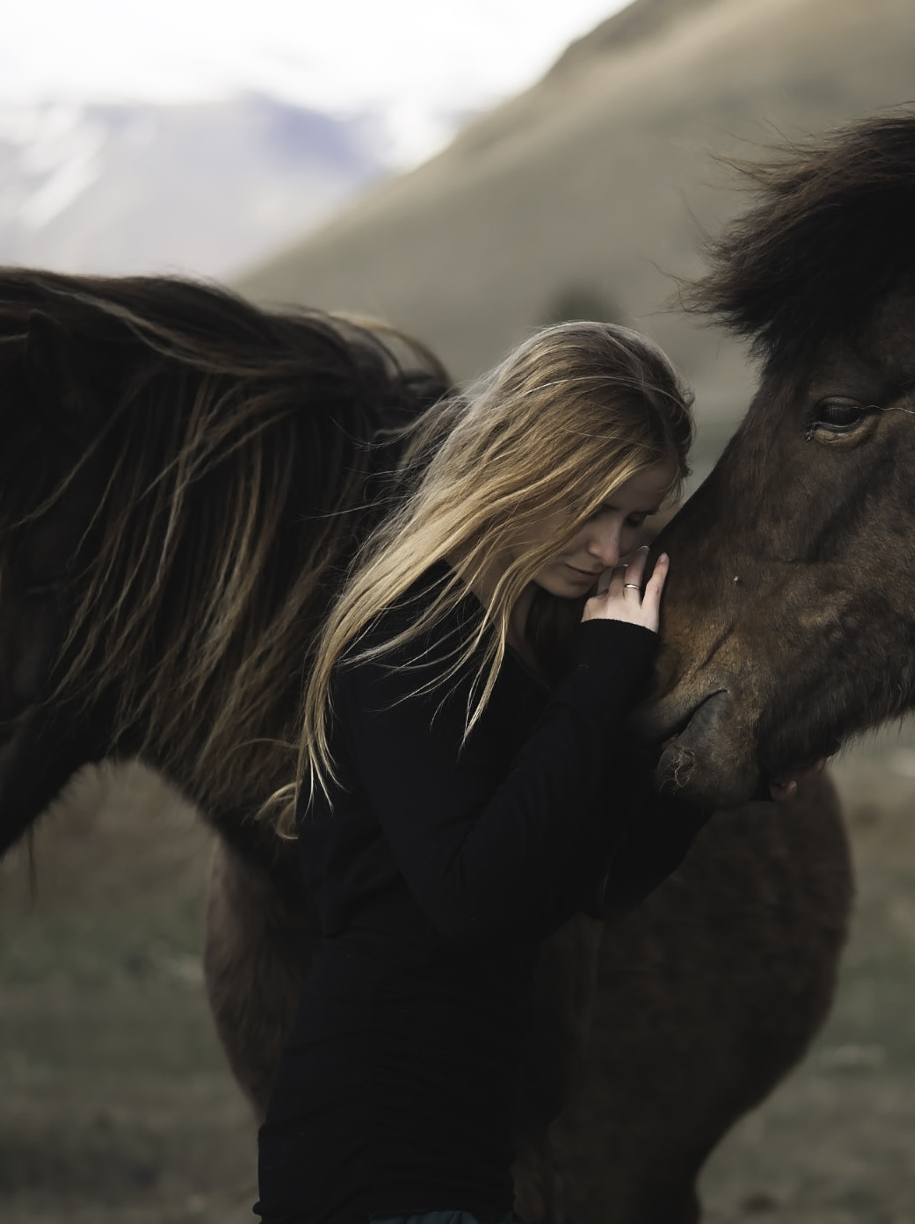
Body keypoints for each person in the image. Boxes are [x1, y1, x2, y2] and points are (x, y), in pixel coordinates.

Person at [253, 322, 713, 1224]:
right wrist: (601, 678)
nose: (608, 548)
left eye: (635, 519)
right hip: (372, 1142)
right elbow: (470, 894)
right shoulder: (412, 635)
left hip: (459, 1140)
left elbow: (585, 883)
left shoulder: (519, 649)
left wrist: (710, 774)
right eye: (590, 504)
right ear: (520, 465)